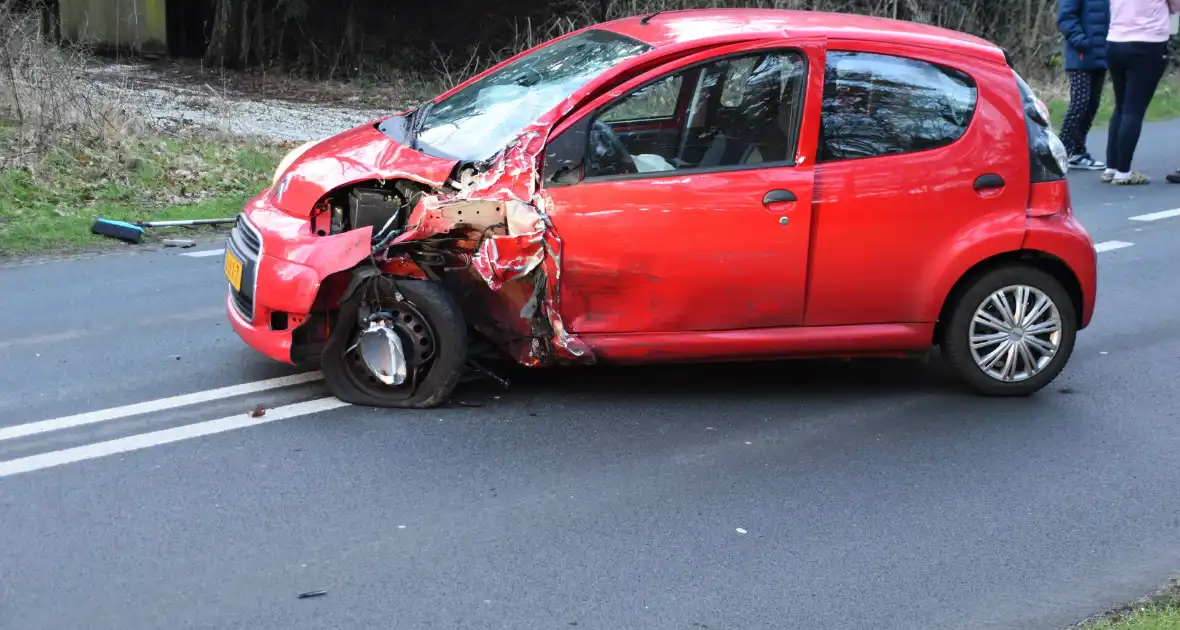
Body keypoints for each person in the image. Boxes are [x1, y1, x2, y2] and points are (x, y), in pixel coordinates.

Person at [1101, 0, 1180, 184]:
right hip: (1147, 41)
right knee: (1134, 109)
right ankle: (1123, 172)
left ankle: (1111, 167)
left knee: (1120, 107)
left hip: (1116, 39)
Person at [1058, 0, 1110, 170]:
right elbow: (1065, 17)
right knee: (1079, 104)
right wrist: (1080, 40)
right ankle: (1059, 154)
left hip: (1102, 54)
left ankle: (1078, 152)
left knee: (1091, 105)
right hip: (1081, 55)